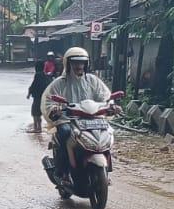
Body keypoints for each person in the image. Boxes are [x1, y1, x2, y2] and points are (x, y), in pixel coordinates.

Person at [42, 47, 113, 176]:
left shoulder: (93, 80)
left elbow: (104, 97)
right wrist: (54, 109)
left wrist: (111, 107)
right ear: (67, 64)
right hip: (68, 119)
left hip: (92, 119)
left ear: (86, 64)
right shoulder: (59, 83)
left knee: (107, 133)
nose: (79, 66)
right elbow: (49, 100)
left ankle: (107, 169)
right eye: (75, 63)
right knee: (64, 132)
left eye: (81, 63)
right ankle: (62, 170)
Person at [27, 50, 57, 132]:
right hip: (43, 97)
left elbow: (33, 85)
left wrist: (29, 93)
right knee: (39, 113)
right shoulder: (45, 76)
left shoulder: (38, 75)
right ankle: (38, 128)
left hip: (37, 98)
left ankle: (37, 128)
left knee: (35, 113)